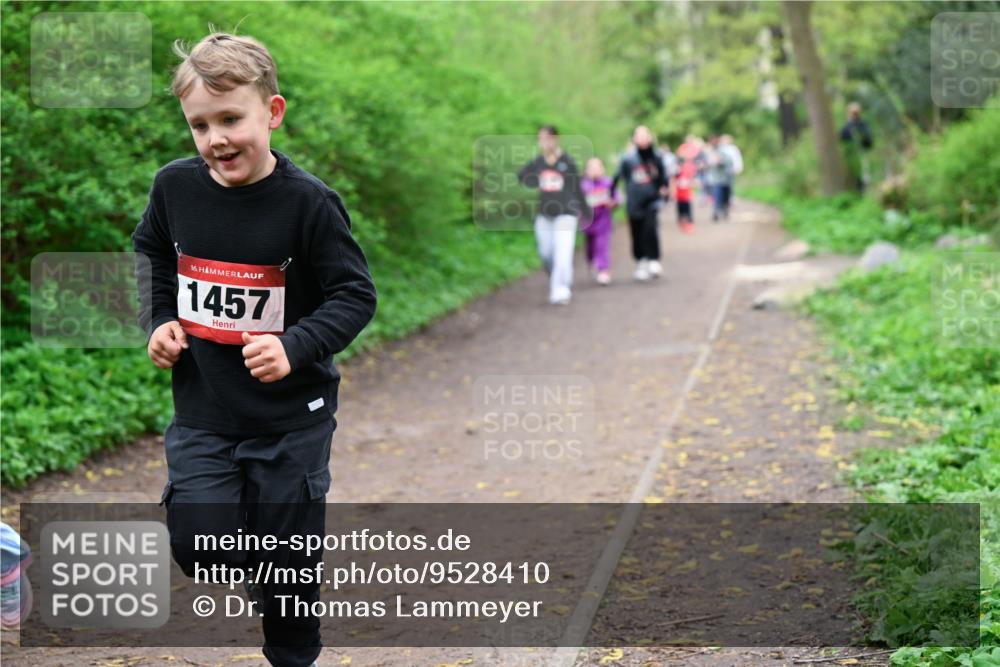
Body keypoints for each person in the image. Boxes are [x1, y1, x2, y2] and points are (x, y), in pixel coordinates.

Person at [131, 32, 377, 667]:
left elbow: (355, 295)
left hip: (292, 418)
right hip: (206, 409)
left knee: (289, 567)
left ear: (272, 113)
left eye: (231, 118)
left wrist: (295, 346)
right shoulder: (175, 188)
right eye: (200, 124)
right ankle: (267, 564)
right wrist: (159, 318)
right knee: (200, 545)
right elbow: (152, 252)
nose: (216, 138)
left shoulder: (310, 204)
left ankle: (292, 646)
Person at [517, 125, 588, 305]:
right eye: (540, 138)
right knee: (546, 253)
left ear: (556, 139)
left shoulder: (567, 161)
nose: (544, 142)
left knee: (562, 253)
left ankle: (560, 289)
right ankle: (558, 276)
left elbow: (577, 188)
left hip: (566, 215)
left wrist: (586, 212)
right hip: (544, 216)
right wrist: (535, 179)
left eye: (547, 138)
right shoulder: (538, 162)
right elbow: (522, 176)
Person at [612, 126, 670, 281]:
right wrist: (613, 195)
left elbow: (663, 177)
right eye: (639, 135)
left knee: (650, 228)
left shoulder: (656, 157)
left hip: (652, 201)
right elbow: (617, 177)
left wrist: (664, 192)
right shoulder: (628, 159)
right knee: (636, 232)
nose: (643, 138)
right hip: (634, 201)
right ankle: (641, 261)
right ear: (634, 139)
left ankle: (654, 260)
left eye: (646, 135)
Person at [581, 157, 619, 285]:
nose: (595, 170)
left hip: (603, 222)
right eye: (591, 167)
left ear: (603, 169)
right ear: (586, 170)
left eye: (598, 167)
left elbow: (617, 199)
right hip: (587, 223)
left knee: (602, 246)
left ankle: (603, 270)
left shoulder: (608, 183)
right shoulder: (582, 185)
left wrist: (612, 203)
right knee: (590, 248)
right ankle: (591, 260)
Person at [839, 102, 873, 193]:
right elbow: (842, 140)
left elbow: (869, 142)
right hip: (850, 157)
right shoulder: (846, 127)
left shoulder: (863, 125)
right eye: (852, 113)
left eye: (856, 113)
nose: (855, 115)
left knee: (863, 179)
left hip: (862, 154)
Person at [704, 135, 734, 222]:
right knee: (717, 195)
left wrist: (720, 161)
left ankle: (724, 210)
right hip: (714, 179)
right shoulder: (709, 152)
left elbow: (729, 161)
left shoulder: (722, 151)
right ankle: (716, 212)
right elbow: (706, 163)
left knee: (725, 196)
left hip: (724, 178)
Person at [674, 157, 697, 233]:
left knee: (688, 211)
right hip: (679, 196)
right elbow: (673, 181)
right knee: (680, 211)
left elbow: (691, 181)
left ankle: (689, 225)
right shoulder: (676, 173)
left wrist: (692, 187)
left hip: (686, 196)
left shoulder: (687, 171)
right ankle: (681, 223)